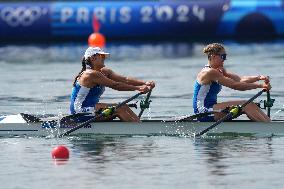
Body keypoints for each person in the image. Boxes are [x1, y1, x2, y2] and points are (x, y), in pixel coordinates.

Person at [70, 46, 155, 122]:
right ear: (93, 58)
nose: (104, 58)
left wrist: (145, 83)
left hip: (92, 108)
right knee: (120, 108)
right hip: (80, 111)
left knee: (123, 106)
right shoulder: (90, 74)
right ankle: (139, 129)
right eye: (102, 56)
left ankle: (138, 125)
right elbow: (116, 85)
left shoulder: (104, 72)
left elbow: (125, 80)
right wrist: (139, 88)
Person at [193, 43, 271, 122]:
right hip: (203, 111)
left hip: (213, 108)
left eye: (225, 56)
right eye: (223, 56)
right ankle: (269, 128)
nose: (224, 59)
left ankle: (269, 124)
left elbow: (240, 79)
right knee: (246, 105)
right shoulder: (209, 72)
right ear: (213, 56)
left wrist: (258, 77)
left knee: (251, 104)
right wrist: (261, 86)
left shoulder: (220, 70)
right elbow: (235, 85)